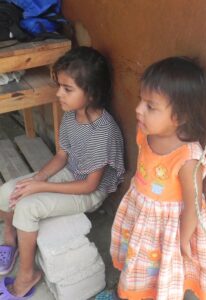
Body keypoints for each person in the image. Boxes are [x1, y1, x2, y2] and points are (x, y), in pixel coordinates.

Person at [0, 46, 125, 298]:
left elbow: (90, 186)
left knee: (27, 207)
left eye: (67, 89)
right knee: (8, 191)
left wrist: (41, 187)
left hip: (90, 193)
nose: (59, 94)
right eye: (59, 86)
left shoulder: (103, 132)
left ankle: (28, 275)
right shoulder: (72, 116)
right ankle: (10, 235)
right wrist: (35, 180)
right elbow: (61, 156)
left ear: (91, 93)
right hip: (71, 173)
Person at [108, 57, 206, 300]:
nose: (138, 109)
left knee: (158, 273)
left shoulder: (188, 159)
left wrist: (184, 240)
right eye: (140, 100)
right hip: (142, 216)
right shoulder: (145, 133)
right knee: (138, 265)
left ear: (181, 116)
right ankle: (130, 293)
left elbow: (193, 205)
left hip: (166, 229)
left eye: (150, 106)